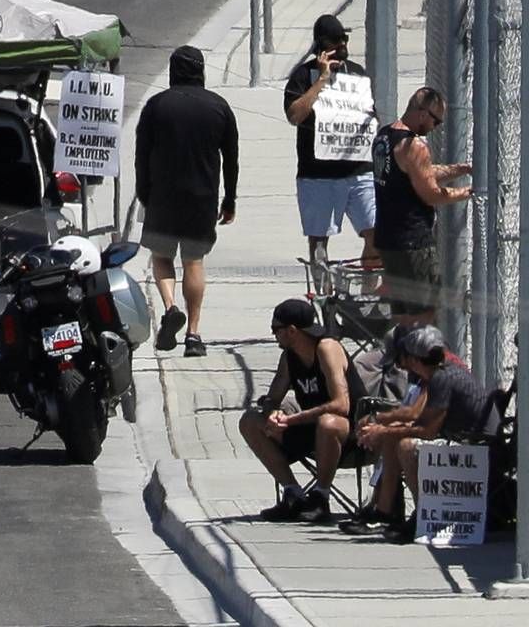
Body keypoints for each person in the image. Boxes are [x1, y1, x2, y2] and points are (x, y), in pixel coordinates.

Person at [342, 325, 500, 541]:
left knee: (406, 446)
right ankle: (385, 513)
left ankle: (422, 514)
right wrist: (383, 425)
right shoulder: (437, 373)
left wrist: (383, 429)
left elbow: (427, 431)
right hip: (470, 441)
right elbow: (420, 416)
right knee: (394, 437)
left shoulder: (441, 377)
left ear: (414, 359)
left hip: (479, 449)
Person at [135, 44, 239, 358]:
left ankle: (169, 307)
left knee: (161, 257)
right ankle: (194, 334)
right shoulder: (219, 107)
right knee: (194, 261)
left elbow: (141, 156)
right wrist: (230, 198)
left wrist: (144, 193)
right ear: (202, 71)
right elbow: (231, 159)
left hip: (163, 196)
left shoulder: (156, 106)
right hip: (202, 197)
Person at [238, 298, 367, 524]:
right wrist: (272, 413)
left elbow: (341, 405)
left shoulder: (327, 348)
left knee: (329, 422)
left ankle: (320, 497)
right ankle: (293, 493)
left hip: (350, 435)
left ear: (292, 331)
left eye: (275, 330)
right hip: (309, 430)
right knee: (250, 421)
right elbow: (273, 397)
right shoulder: (289, 356)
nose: (274, 335)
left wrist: (293, 419)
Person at [283, 14, 377, 269]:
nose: (342, 46)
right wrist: (323, 79)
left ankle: (368, 295)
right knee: (319, 242)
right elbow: (294, 115)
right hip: (318, 174)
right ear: (321, 46)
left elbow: (370, 115)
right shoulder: (303, 76)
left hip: (358, 170)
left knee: (375, 232)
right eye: (335, 42)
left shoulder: (357, 74)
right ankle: (323, 297)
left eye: (344, 39)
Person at [371, 87, 471, 325]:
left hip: (387, 239)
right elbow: (432, 194)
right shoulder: (414, 146)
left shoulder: (384, 136)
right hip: (413, 242)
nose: (436, 126)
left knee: (402, 313)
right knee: (426, 315)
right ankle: (418, 358)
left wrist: (460, 169)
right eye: (436, 121)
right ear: (423, 113)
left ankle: (402, 357)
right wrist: (468, 193)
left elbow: (415, 174)